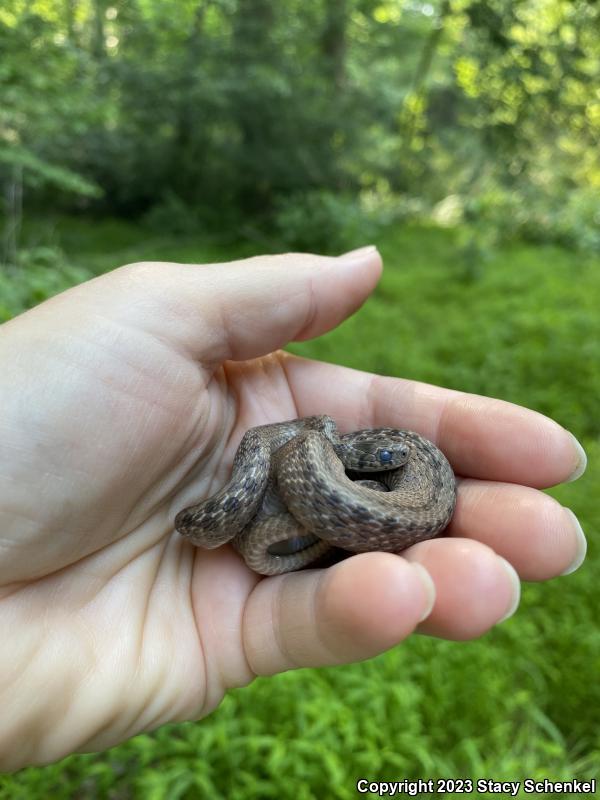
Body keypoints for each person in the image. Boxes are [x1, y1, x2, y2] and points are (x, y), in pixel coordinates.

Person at [0, 246, 587, 771]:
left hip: (336, 489)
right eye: (373, 457)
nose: (384, 458)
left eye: (385, 459)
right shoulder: (299, 444)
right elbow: (267, 477)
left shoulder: (350, 452)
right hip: (270, 489)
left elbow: (367, 459)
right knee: (268, 486)